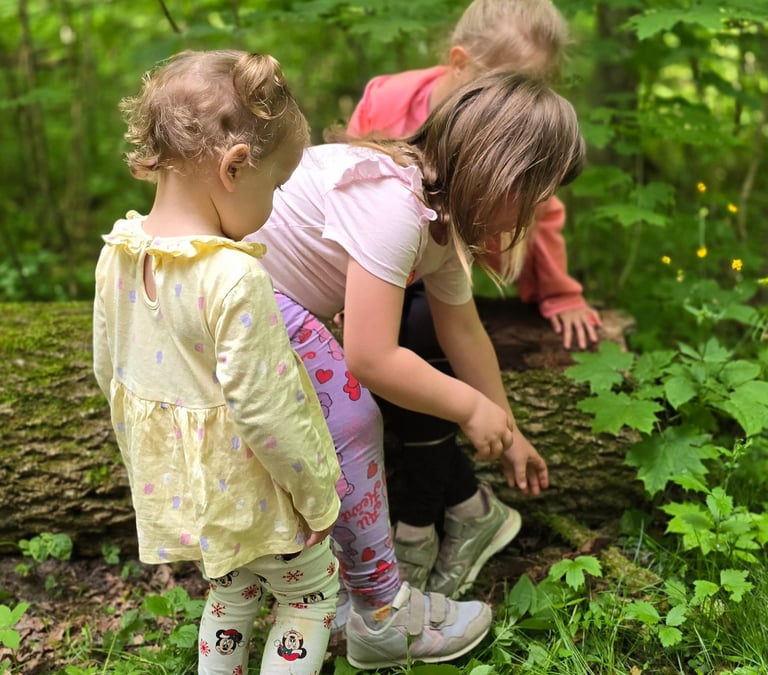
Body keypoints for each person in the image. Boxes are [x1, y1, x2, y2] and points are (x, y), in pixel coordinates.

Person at [244, 70, 585, 669]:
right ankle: (377, 604)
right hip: (238, 295)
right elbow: (371, 356)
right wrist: (469, 408)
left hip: (268, 303)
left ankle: (345, 592)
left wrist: (506, 427)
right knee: (352, 418)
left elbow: (465, 331)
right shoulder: (393, 201)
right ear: (497, 169)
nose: (529, 216)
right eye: (530, 196)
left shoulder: (436, 218)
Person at [92, 50, 342, 675]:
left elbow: (109, 373)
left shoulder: (118, 255)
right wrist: (316, 499)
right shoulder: (233, 275)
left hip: (189, 496)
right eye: (276, 185)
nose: (275, 204)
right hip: (262, 494)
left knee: (232, 592)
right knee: (309, 596)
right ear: (234, 167)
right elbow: (265, 412)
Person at [345, 0, 602, 601]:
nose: (515, 103)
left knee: (426, 330)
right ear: (460, 66)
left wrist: (560, 294)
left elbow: (469, 320)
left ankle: (427, 523)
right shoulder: (391, 110)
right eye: (501, 86)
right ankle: (444, 512)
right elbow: (357, 199)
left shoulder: (468, 218)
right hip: (376, 266)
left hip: (434, 265)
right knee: (400, 337)